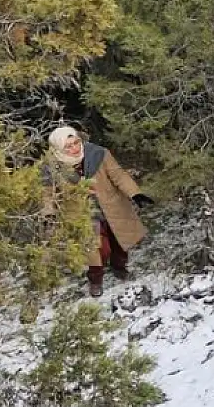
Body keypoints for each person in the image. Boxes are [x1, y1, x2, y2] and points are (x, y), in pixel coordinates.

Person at [44, 127, 152, 297]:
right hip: (82, 214)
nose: (75, 148)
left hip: (112, 205)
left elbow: (118, 175)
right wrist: (48, 213)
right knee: (96, 250)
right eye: (68, 146)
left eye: (76, 142)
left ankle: (119, 267)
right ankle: (95, 279)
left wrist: (135, 193)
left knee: (119, 242)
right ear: (58, 148)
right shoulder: (52, 168)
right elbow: (46, 193)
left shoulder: (98, 154)